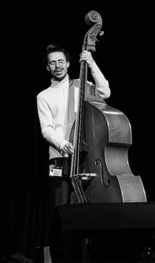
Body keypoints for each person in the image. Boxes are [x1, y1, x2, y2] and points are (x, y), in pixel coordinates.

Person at [36, 44, 110, 262]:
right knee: (61, 209)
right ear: (48, 68)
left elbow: (105, 92)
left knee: (84, 209)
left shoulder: (81, 85)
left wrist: (91, 63)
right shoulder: (44, 96)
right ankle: (60, 256)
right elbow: (46, 128)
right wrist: (62, 143)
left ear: (68, 63)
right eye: (52, 62)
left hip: (86, 155)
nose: (57, 65)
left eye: (61, 61)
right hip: (59, 157)